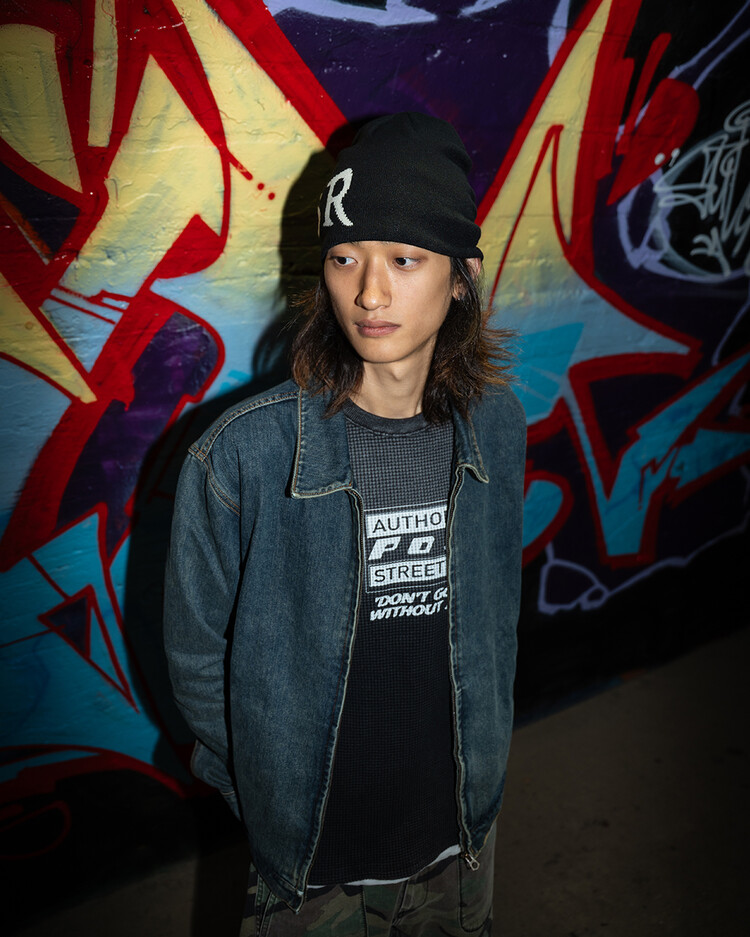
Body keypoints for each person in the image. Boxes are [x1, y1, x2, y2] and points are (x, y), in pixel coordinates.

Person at [164, 112, 526, 936]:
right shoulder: (243, 454)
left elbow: (497, 614)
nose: (369, 292)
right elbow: (194, 655)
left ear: (462, 276)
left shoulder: (498, 425)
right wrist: (266, 787)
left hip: (457, 841)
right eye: (344, 257)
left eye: (404, 258)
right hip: (311, 865)